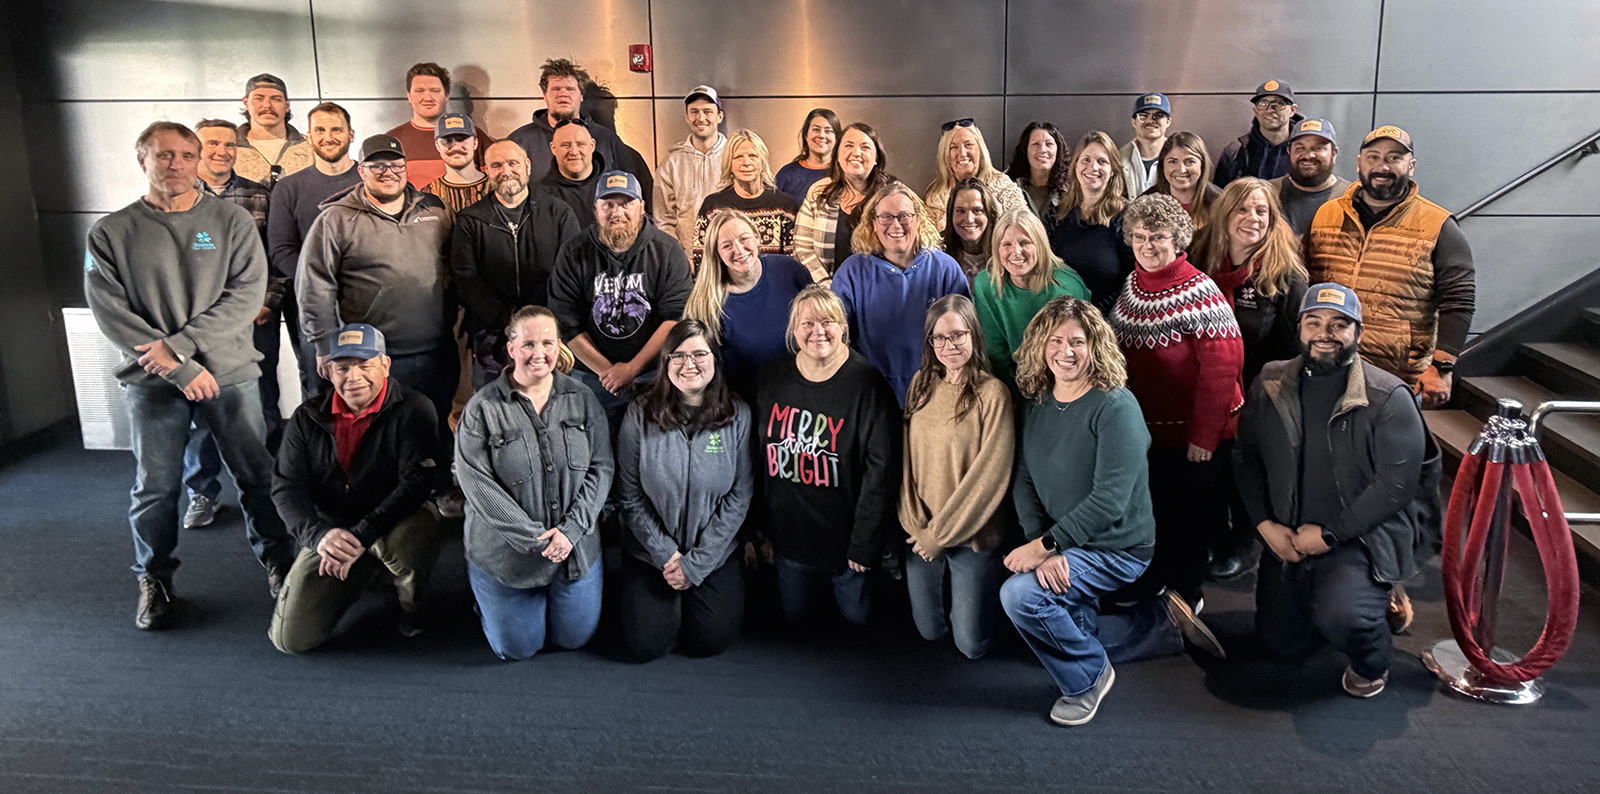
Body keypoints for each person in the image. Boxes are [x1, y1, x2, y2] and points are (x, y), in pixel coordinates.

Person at [84, 121, 296, 629]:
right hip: (154, 382)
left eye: (185, 154)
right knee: (155, 487)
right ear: (143, 161)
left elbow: (245, 296)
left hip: (229, 373)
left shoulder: (230, 221)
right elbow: (110, 311)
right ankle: (154, 576)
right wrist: (179, 369)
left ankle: (279, 560)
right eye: (163, 155)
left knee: (257, 474)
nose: (175, 163)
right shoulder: (110, 232)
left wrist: (181, 349)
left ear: (198, 160)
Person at [1000, 297, 1219, 727]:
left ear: (1095, 346)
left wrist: (1049, 545)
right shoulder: (1039, 401)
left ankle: (1088, 678)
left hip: (1117, 547)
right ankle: (1159, 624)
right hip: (1066, 541)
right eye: (1056, 340)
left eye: (1078, 342)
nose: (1066, 351)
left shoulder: (1116, 406)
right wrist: (1041, 544)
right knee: (1060, 628)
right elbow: (1024, 477)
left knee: (1021, 598)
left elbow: (1109, 501)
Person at [1234, 283, 1441, 697]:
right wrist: (1265, 527)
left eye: (1339, 324)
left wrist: (1329, 536)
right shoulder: (1271, 382)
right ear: (1300, 329)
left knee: (1345, 618)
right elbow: (1246, 458)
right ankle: (1343, 594)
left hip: (1358, 538)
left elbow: (1396, 487)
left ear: (1358, 333)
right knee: (1281, 646)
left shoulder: (1389, 397)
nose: (1324, 332)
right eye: (1314, 322)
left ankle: (1371, 656)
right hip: (1290, 533)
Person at [1307, 126, 1475, 633]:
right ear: (1358, 161)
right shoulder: (1327, 212)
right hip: (1332, 368)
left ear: (1411, 166)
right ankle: (1339, 568)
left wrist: (1442, 362)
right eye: (1374, 156)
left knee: (1393, 481)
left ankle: (1390, 577)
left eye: (1394, 158)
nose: (1383, 166)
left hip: (1395, 378)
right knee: (1336, 473)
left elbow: (1459, 296)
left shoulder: (1438, 224)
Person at [268, 323, 444, 652]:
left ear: (385, 365)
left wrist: (364, 534)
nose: (354, 377)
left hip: (394, 521)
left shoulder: (414, 408)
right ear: (328, 370)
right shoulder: (307, 418)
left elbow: (416, 484)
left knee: (404, 543)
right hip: (335, 529)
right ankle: (368, 571)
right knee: (291, 640)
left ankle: (411, 607)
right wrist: (319, 537)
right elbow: (285, 488)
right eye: (343, 367)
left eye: (365, 365)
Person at [1109, 193, 1244, 614]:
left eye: (1159, 237)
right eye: (1140, 236)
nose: (1148, 245)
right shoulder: (1132, 285)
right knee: (1151, 510)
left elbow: (1222, 369)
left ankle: (1187, 590)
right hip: (1149, 431)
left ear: (1179, 239)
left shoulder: (1200, 291)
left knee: (1189, 516)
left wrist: (1203, 437)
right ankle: (1151, 578)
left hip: (1195, 433)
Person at [457, 305, 613, 661]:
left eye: (548, 343)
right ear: (511, 349)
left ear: (560, 346)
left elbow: (602, 468)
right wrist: (534, 539)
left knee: (574, 639)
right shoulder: (482, 409)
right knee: (517, 648)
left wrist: (571, 531)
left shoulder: (583, 399)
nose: (539, 354)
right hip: (507, 558)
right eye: (528, 344)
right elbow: (477, 484)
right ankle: (487, 600)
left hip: (573, 551)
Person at [754, 285, 899, 627]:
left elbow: (882, 473)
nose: (817, 331)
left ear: (843, 327)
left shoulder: (868, 384)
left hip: (847, 550)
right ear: (793, 330)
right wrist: (758, 532)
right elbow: (756, 459)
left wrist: (864, 545)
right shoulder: (771, 379)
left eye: (827, 322)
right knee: (798, 625)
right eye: (807, 323)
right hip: (790, 543)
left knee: (855, 625)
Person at [1190, 177, 1311, 580]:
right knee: (1206, 474)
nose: (1251, 218)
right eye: (1242, 209)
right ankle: (1209, 537)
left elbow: (1295, 350)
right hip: (1205, 391)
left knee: (1244, 473)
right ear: (1225, 214)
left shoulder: (1286, 275)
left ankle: (1243, 543)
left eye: (1261, 211)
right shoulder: (1197, 259)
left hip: (1259, 395)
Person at [296, 134, 458, 430]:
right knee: (381, 435)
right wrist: (323, 344)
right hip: (373, 357)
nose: (389, 173)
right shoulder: (336, 219)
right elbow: (314, 285)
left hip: (438, 348)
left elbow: (456, 268)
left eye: (396, 165)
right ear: (361, 170)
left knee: (435, 430)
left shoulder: (435, 210)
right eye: (378, 166)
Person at [617, 320, 752, 661]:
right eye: (676, 355)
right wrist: (667, 556)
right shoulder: (639, 413)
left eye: (698, 354)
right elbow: (629, 496)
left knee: (710, 641)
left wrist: (698, 563)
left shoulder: (738, 414)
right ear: (664, 364)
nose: (688, 364)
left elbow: (739, 496)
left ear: (715, 360)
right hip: (651, 553)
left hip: (713, 552)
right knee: (647, 644)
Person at [899, 295, 1014, 659]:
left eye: (958, 335)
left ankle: (985, 608)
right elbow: (906, 462)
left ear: (973, 335)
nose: (949, 346)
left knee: (971, 646)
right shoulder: (920, 384)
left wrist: (942, 534)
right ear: (930, 342)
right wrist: (916, 524)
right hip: (922, 531)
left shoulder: (992, 394)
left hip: (971, 535)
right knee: (929, 631)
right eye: (939, 338)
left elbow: (989, 476)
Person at [181, 119, 275, 530]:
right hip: (193, 328)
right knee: (199, 414)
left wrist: (266, 301)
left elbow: (275, 257)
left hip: (250, 322)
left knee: (260, 408)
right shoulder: (175, 201)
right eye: (211, 143)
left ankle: (271, 492)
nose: (221, 150)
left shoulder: (258, 195)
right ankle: (203, 491)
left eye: (229, 144)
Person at [547, 170, 694, 433]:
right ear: (595, 209)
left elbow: (675, 317)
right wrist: (608, 372)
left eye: (626, 203)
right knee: (595, 453)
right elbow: (566, 323)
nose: (618, 212)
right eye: (608, 204)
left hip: (653, 375)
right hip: (591, 377)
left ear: (642, 207)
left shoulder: (668, 250)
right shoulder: (573, 252)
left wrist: (632, 369)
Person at [452, 139, 582, 385]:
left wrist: (541, 320)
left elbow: (572, 273)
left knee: (549, 407)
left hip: (550, 332)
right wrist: (508, 319)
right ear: (486, 170)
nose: (506, 171)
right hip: (492, 336)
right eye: (497, 165)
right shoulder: (470, 220)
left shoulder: (558, 212)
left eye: (513, 163)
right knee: (494, 412)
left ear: (527, 166)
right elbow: (466, 278)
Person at [832, 183, 971, 405]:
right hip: (872, 394)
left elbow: (965, 338)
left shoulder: (945, 269)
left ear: (918, 220)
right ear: (873, 224)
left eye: (904, 216)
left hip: (935, 393)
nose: (896, 224)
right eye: (886, 217)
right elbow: (837, 338)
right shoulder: (852, 273)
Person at [265, 102, 361, 397]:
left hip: (365, 301)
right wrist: (319, 283)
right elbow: (281, 250)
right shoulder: (289, 188)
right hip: (310, 308)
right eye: (319, 130)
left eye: (336, 129)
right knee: (319, 385)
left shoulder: (367, 181)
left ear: (351, 134)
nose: (327, 136)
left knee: (368, 384)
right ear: (308, 136)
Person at [682, 209, 812, 399]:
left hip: (803, 392)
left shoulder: (789, 269)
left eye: (744, 239)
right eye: (727, 245)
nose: (739, 250)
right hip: (747, 402)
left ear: (757, 238)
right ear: (716, 253)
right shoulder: (706, 302)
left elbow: (823, 318)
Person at [508, 58, 655, 209]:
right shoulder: (520, 142)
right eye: (556, 89)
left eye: (570, 89)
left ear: (581, 96)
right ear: (544, 95)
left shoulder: (608, 140)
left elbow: (636, 193)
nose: (563, 94)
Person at [973, 209, 1090, 393]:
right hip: (1011, 382)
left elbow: (1076, 354)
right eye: (1006, 244)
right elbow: (996, 354)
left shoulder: (1067, 286)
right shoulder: (985, 284)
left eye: (1025, 243)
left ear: (1040, 245)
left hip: (1060, 381)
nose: (1016, 252)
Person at [1045, 130, 1134, 310]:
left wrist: (1092, 314)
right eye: (1086, 160)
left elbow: (1133, 280)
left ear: (1112, 171)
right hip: (1062, 318)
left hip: (1111, 320)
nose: (1093, 167)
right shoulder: (1056, 215)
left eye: (1102, 161)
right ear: (1075, 166)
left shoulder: (1127, 218)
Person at [794, 122, 893, 283]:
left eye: (865, 147)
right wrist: (828, 287)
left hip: (880, 292)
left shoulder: (893, 195)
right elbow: (802, 249)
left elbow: (907, 249)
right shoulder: (819, 192)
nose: (856, 152)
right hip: (828, 296)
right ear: (837, 156)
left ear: (876, 158)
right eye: (848, 145)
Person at [691, 129, 799, 267]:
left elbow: (792, 262)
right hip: (726, 287)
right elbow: (702, 261)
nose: (746, 162)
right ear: (728, 163)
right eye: (738, 157)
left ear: (763, 161)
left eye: (753, 156)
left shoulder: (785, 206)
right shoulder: (713, 207)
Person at [385, 63, 495, 190]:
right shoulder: (392, 140)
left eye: (435, 91)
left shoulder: (472, 135)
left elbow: (494, 179)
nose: (428, 97)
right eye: (419, 91)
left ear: (447, 95)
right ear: (409, 96)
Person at [656, 85, 727, 257]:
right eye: (694, 111)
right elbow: (663, 221)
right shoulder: (671, 164)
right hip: (687, 260)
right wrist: (679, 256)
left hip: (728, 259)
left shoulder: (734, 157)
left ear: (719, 116)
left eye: (707, 111)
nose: (700, 117)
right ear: (687, 117)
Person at [923, 118, 1027, 232]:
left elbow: (1025, 229)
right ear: (946, 155)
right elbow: (931, 241)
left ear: (980, 150)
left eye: (968, 145)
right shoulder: (934, 200)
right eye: (954, 147)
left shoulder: (1004, 188)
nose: (962, 153)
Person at [1269, 119, 1351, 238]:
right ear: (1289, 151)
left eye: (1318, 148)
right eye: (1300, 148)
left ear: (1334, 153)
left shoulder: (1352, 197)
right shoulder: (1267, 193)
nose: (1308, 155)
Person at [1214, 79, 1304, 187]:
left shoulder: (1305, 150)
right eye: (1263, 103)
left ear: (1292, 110)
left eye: (1278, 103)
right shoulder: (1236, 151)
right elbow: (1221, 197)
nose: (1270, 110)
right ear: (1255, 111)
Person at [234, 73, 313, 185]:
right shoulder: (229, 149)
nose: (267, 105)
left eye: (276, 99)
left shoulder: (311, 148)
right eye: (259, 99)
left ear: (286, 106)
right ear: (246, 103)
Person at [539, 118, 606, 228]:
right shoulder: (540, 196)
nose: (574, 152)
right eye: (566, 145)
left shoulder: (613, 188)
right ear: (553, 148)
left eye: (580, 144)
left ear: (592, 145)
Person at [1146, 131, 1221, 227]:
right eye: (1172, 161)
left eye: (1190, 161)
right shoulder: (1146, 203)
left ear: (1202, 165)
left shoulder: (1221, 203)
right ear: (1162, 166)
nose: (1181, 170)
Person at [423, 112, 491, 213]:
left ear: (475, 143)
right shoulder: (428, 194)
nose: (456, 147)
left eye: (462, 139)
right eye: (448, 140)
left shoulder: (495, 188)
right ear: (437, 145)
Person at [1004, 121, 1070, 217]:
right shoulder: (1008, 187)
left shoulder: (1071, 190)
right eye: (1035, 144)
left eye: (1049, 144)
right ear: (1025, 150)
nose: (1042, 149)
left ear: (1058, 150)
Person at [774, 108, 840, 203]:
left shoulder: (844, 174)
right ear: (806, 135)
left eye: (828, 131)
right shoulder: (786, 174)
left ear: (837, 138)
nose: (821, 135)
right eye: (816, 129)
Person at [940, 177, 1000, 282]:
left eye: (977, 210)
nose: (969, 219)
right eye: (960, 211)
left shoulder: (1004, 253)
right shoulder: (939, 256)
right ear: (950, 215)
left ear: (990, 214)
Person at [1118, 93, 1172, 200]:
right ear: (1134, 122)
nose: (1151, 120)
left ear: (1168, 121)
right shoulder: (1119, 159)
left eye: (1159, 115)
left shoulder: (1179, 159)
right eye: (1143, 115)